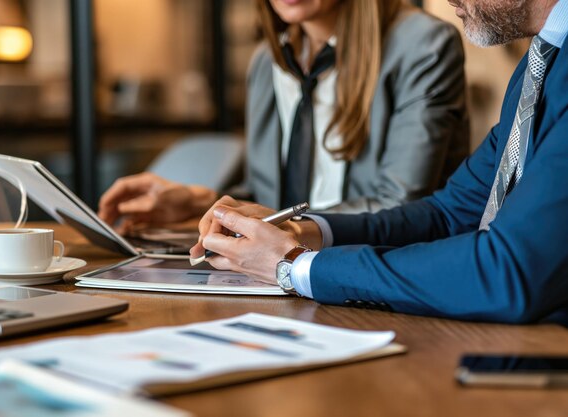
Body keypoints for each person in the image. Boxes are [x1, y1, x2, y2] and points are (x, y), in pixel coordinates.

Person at [193, 0, 568, 324]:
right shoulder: (542, 62)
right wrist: (303, 231)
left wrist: (296, 266)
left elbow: (506, 272)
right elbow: (448, 215)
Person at [98, 0, 468, 231]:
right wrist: (196, 204)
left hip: (377, 267)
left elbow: (401, 207)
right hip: (279, 268)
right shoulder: (266, 61)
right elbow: (275, 197)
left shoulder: (423, 44)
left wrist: (282, 226)